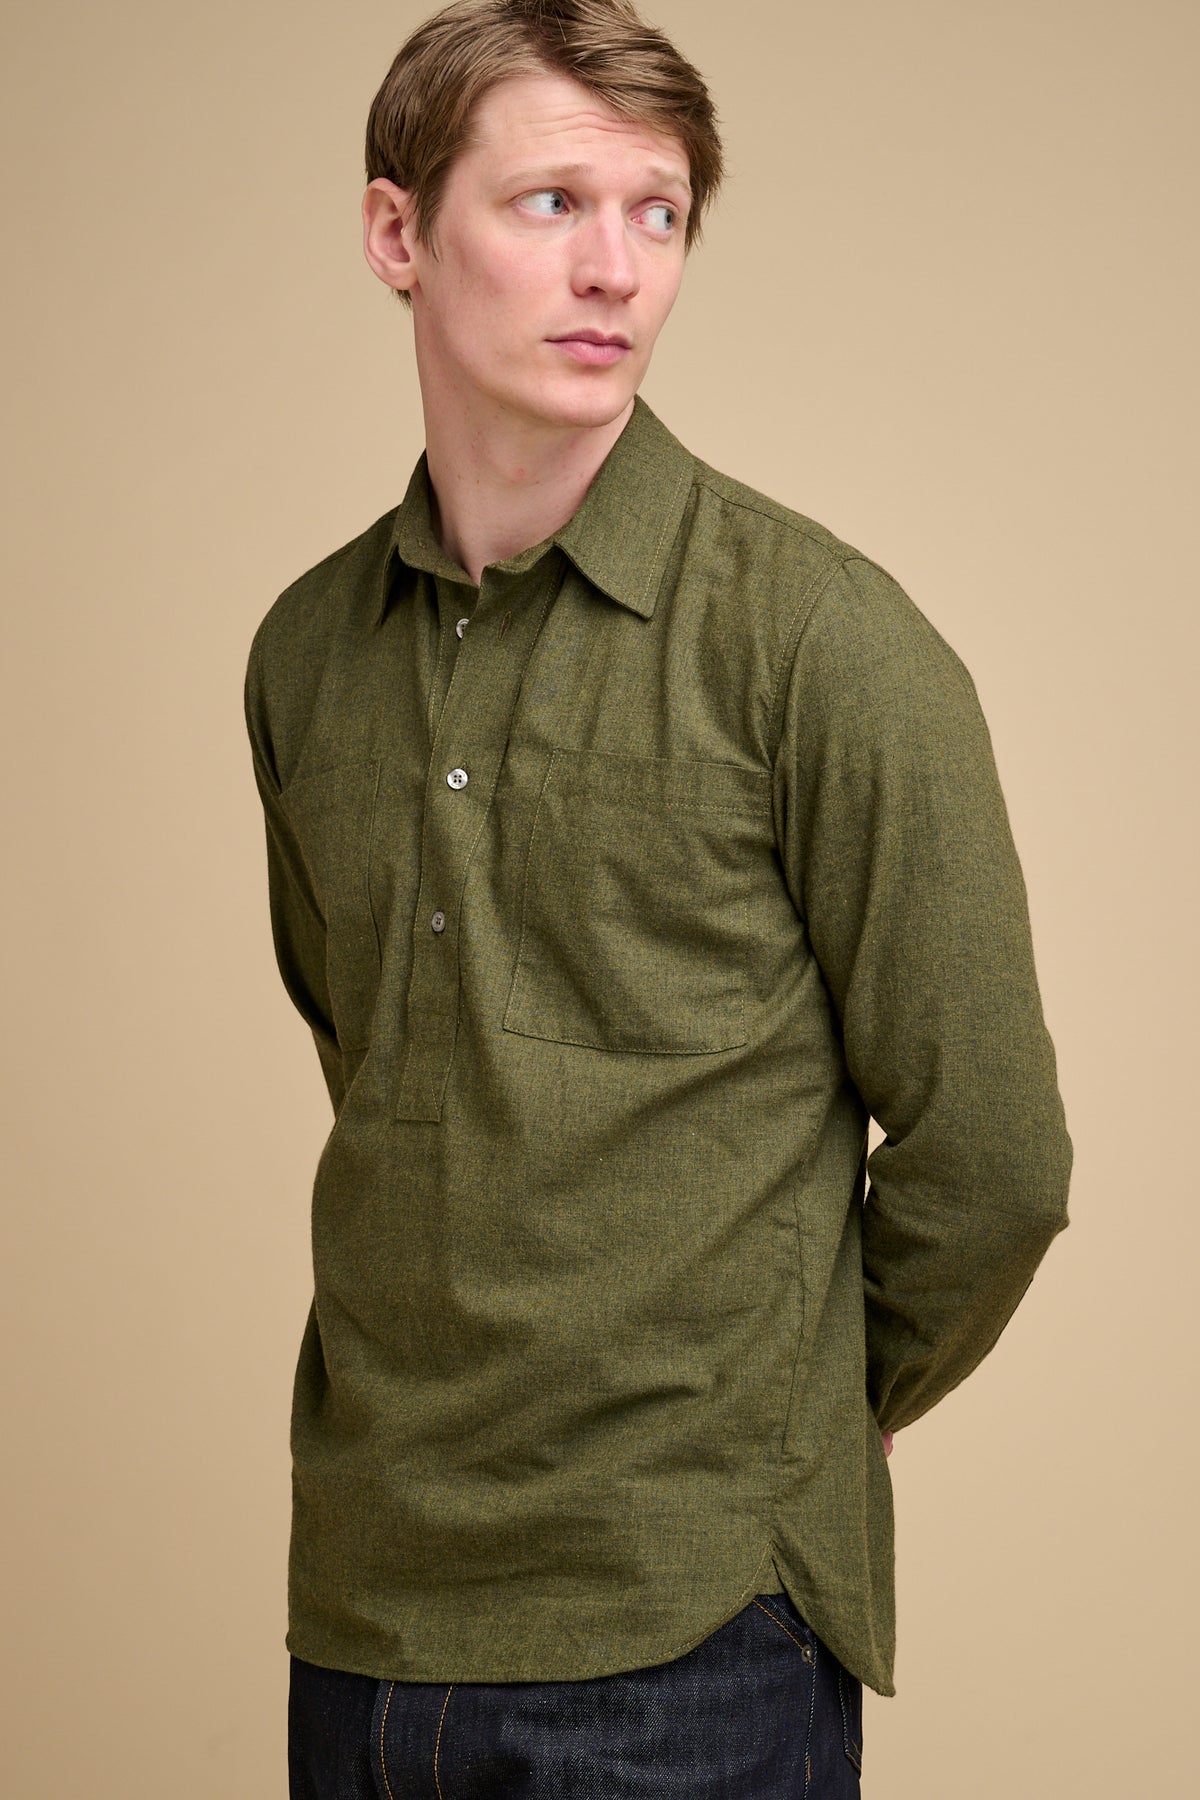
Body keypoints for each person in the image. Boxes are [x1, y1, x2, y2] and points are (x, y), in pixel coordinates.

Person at [243, 1, 1073, 1793]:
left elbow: (995, 1159)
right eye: (551, 204)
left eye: (660, 211)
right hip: (365, 1621)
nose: (614, 267)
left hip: (690, 1635)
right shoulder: (305, 656)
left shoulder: (825, 644)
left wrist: (761, 1436)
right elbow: (386, 1069)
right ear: (399, 233)